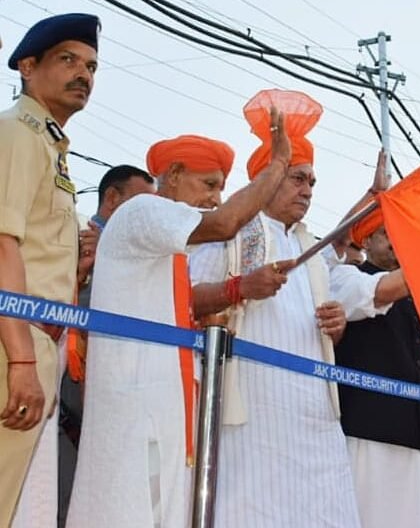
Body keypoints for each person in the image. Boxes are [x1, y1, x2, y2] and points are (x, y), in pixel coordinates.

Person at [190, 93, 408, 528]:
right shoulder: (229, 233)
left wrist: (338, 326)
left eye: (312, 182)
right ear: (266, 179)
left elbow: (337, 248)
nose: (308, 190)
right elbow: (187, 298)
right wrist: (239, 287)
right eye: (296, 179)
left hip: (314, 419)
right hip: (253, 416)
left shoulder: (307, 246)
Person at [67, 121, 292, 528]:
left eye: (220, 188)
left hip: (163, 402)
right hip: (137, 405)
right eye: (208, 184)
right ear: (171, 176)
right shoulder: (144, 210)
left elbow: (181, 301)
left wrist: (231, 294)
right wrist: (276, 166)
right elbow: (225, 224)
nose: (215, 198)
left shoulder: (163, 238)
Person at [0, 12, 100, 527]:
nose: (83, 73)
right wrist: (20, 362)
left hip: (37, 340)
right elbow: (1, 244)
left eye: (90, 66)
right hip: (14, 342)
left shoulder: (51, 146)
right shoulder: (19, 132)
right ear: (27, 66)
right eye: (68, 60)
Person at [335, 209, 420, 528]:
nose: (397, 242)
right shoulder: (346, 277)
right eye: (388, 233)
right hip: (374, 439)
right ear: (367, 240)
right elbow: (380, 293)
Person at [58, 164, 155, 527]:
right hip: (63, 407)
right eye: (139, 207)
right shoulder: (72, 241)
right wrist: (81, 270)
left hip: (109, 413)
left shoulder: (134, 257)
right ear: (112, 200)